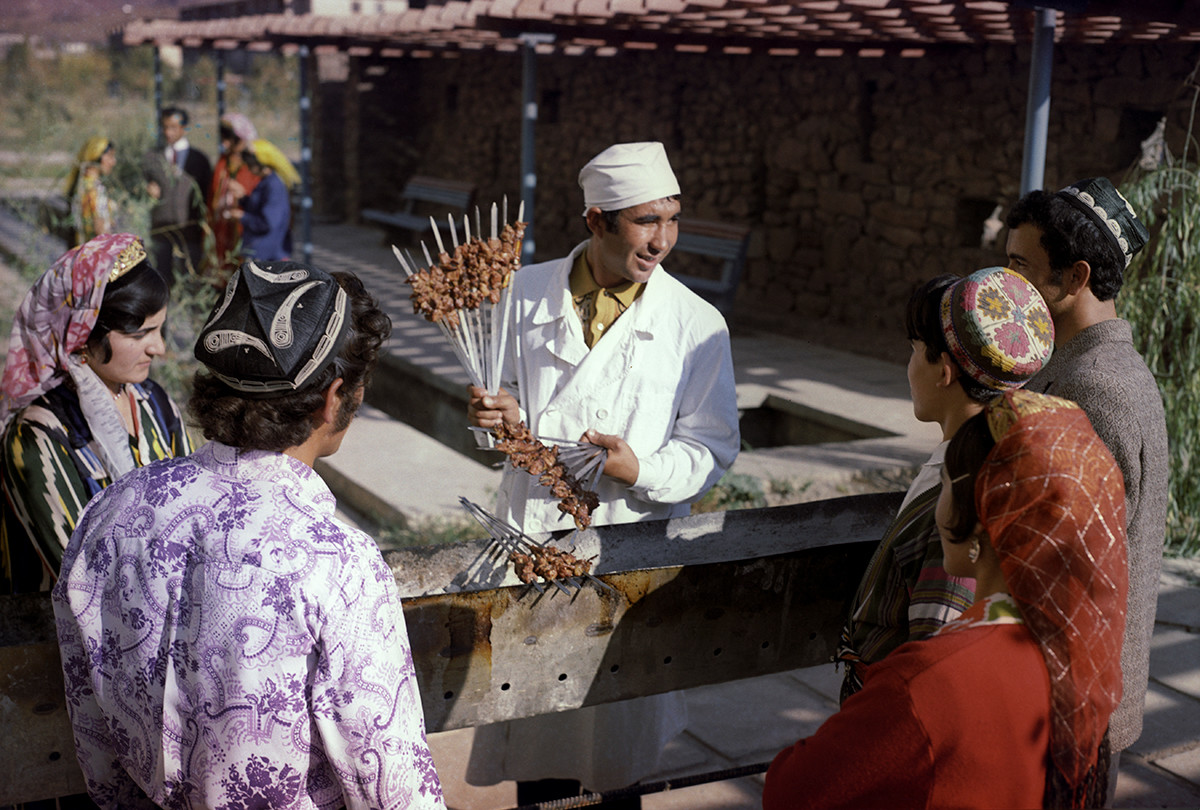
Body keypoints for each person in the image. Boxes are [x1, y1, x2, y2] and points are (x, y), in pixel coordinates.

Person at [51, 260, 446, 810]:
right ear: (335, 397)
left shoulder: (112, 512)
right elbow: (393, 788)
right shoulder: (336, 562)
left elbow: (93, 739)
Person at [465, 142, 741, 806]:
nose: (663, 239)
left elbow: (711, 450)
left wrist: (638, 467)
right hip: (533, 543)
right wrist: (489, 418)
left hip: (624, 547)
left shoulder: (696, 325)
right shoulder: (523, 292)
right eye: (646, 221)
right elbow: (493, 407)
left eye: (672, 219)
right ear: (596, 221)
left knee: (614, 747)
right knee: (543, 743)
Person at [763, 390, 1128, 809]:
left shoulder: (929, 679)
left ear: (979, 519)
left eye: (944, 486)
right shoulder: (1079, 655)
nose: (937, 507)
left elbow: (789, 790)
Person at [1005, 176, 1168, 799]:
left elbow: (1068, 565)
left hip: (1068, 703)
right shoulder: (1098, 369)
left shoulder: (1092, 390)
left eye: (1022, 266)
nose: (1008, 282)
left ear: (1074, 278)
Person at [836, 266, 1055, 700]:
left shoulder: (958, 499)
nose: (909, 365)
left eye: (916, 349)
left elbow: (934, 657)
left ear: (944, 372)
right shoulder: (981, 463)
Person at [0, 233, 190, 594]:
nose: (160, 348)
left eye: (160, 330)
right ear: (82, 337)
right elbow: (82, 577)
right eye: (141, 334)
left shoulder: (156, 404)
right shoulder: (37, 436)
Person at [142, 106, 213, 285]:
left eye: (173, 127)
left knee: (191, 280)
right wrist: (146, 190)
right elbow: (138, 189)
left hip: (190, 233)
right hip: (161, 232)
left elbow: (207, 196)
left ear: (184, 128)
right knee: (162, 281)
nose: (168, 132)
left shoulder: (199, 160)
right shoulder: (152, 158)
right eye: (165, 127)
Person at [227, 139, 300, 262]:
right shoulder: (265, 182)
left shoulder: (274, 186)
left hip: (267, 254)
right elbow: (259, 207)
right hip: (260, 250)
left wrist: (242, 216)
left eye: (250, 163)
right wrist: (243, 198)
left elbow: (268, 223)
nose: (248, 167)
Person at [209, 112, 261, 277]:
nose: (224, 143)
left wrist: (243, 193)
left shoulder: (253, 164)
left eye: (228, 139)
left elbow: (260, 199)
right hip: (222, 227)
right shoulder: (223, 162)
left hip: (243, 230)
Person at [65, 136, 117, 246]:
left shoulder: (83, 185)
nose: (113, 162)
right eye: (110, 156)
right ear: (96, 156)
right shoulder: (91, 190)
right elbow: (99, 230)